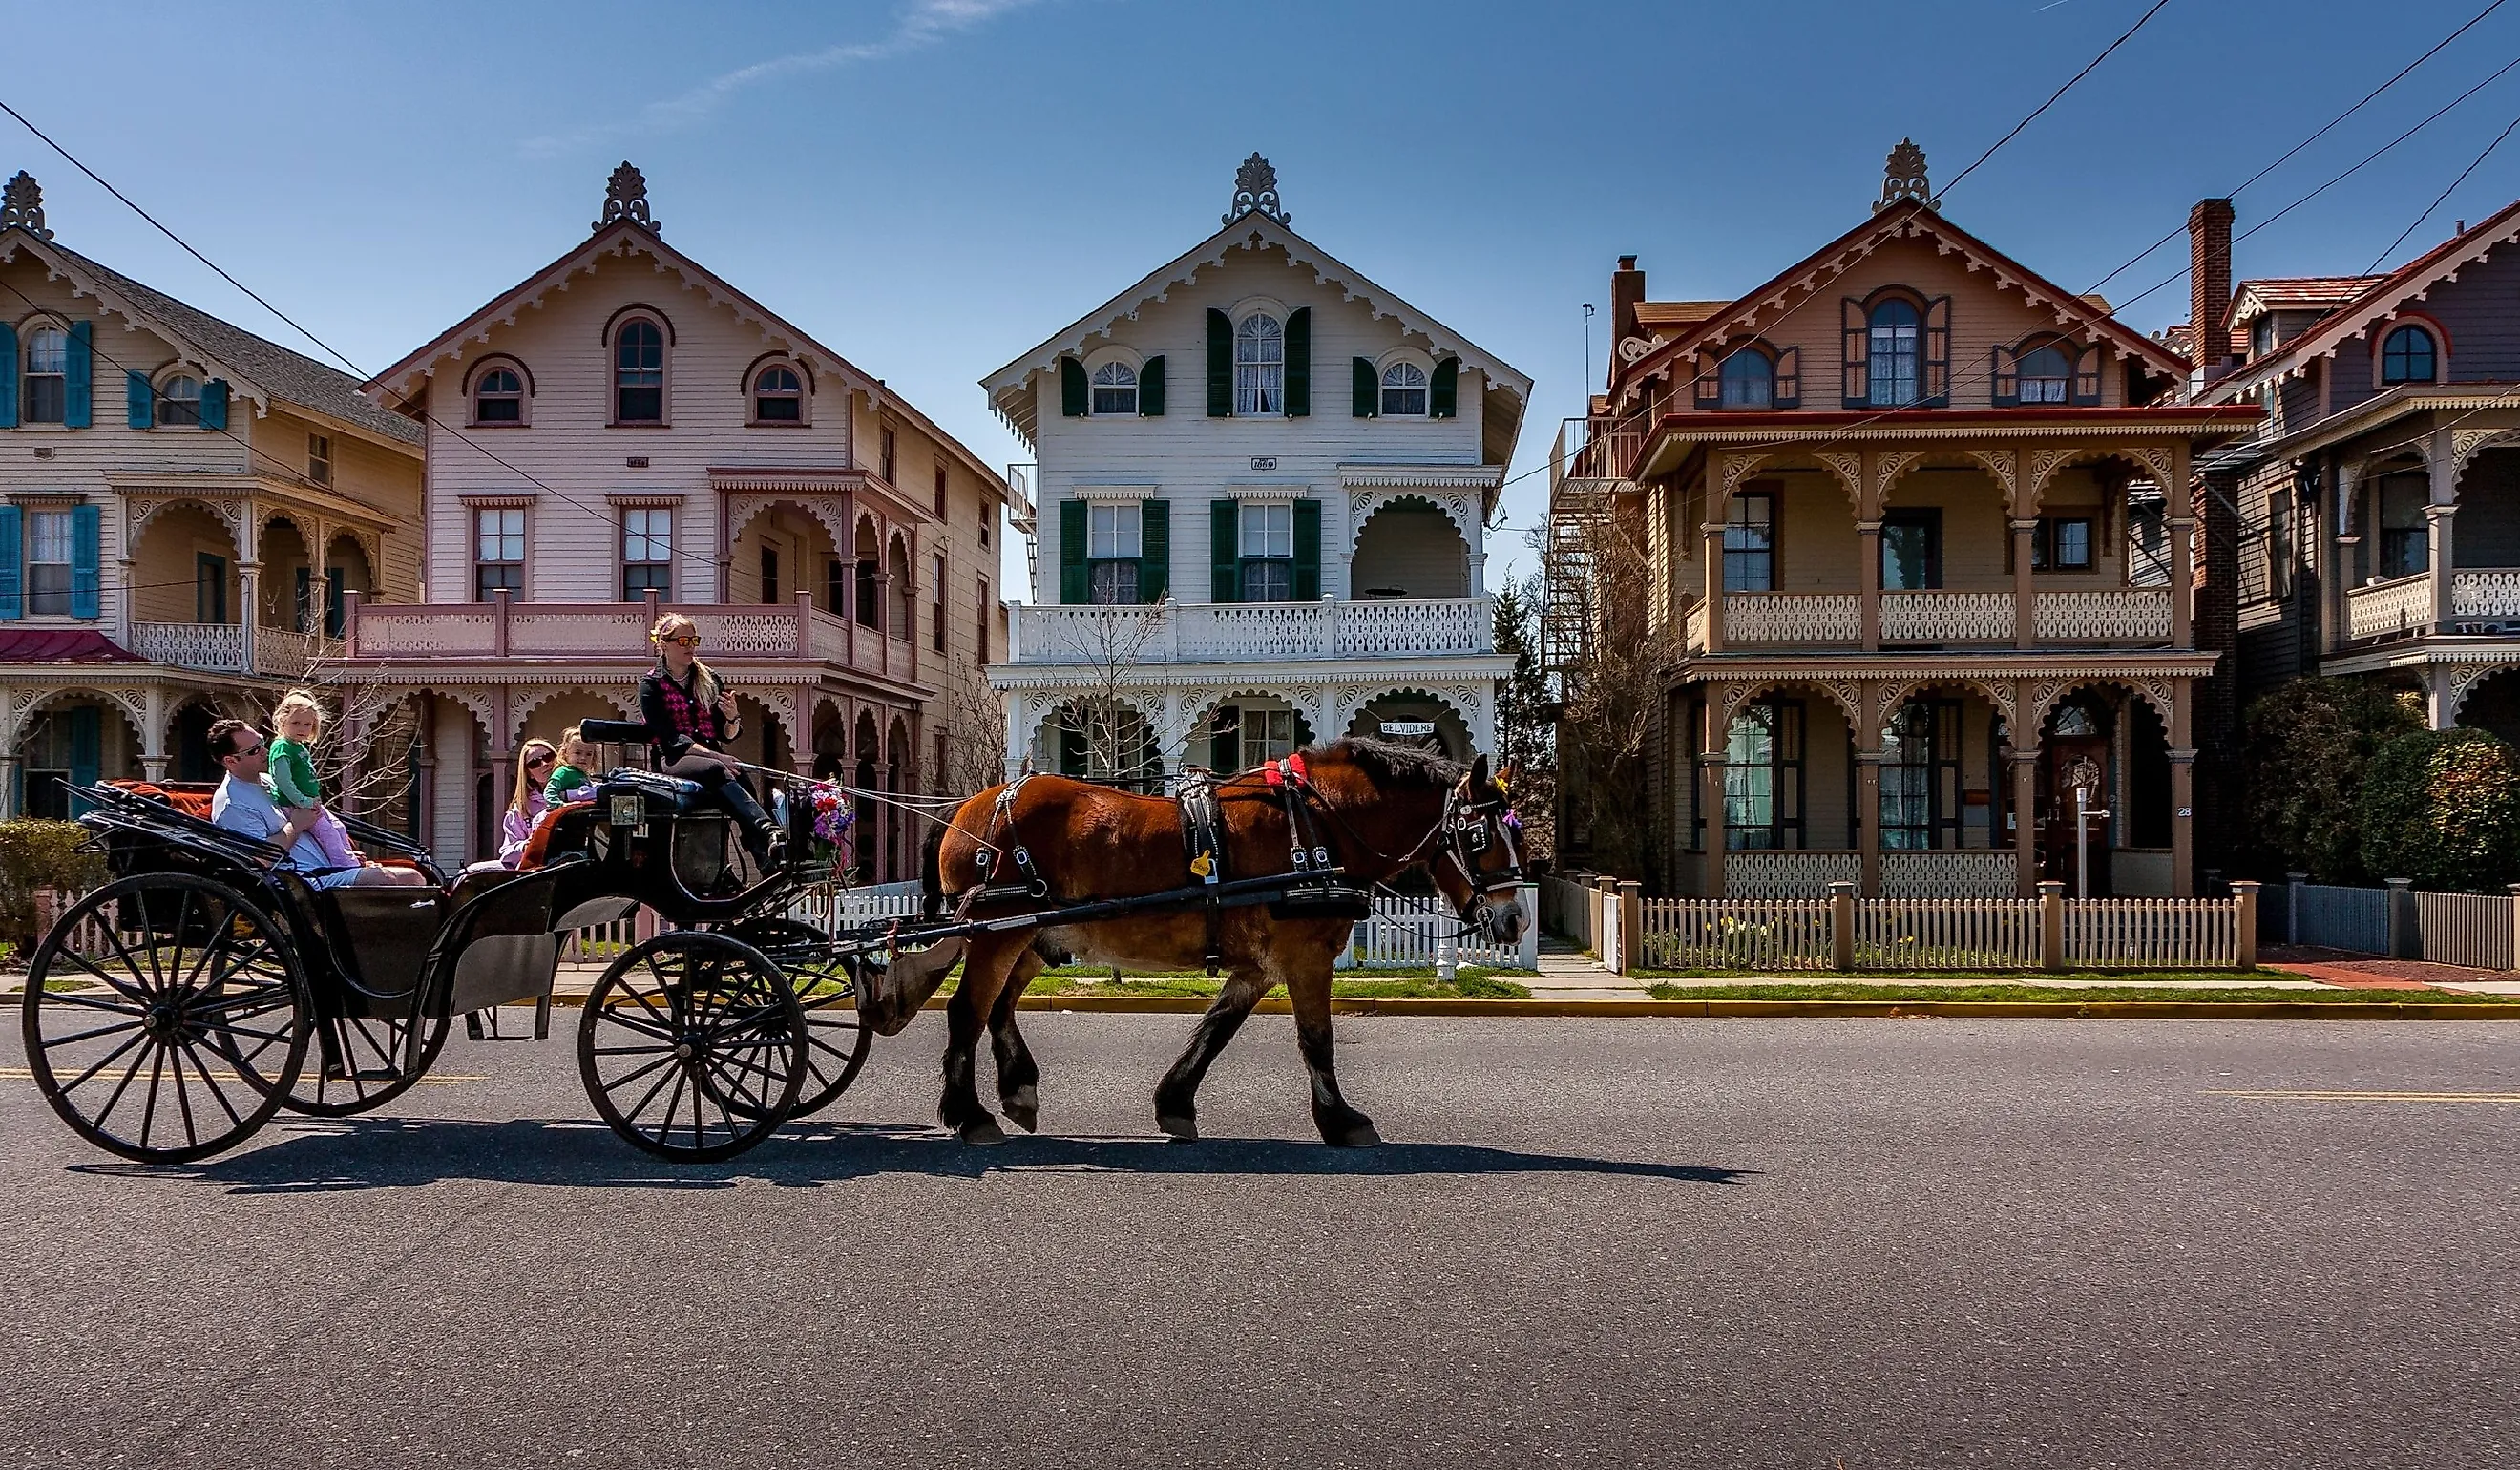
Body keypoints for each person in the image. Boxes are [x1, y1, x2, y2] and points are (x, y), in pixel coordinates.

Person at [207, 719, 427, 888]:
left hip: (327, 868)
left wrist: (342, 853)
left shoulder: (270, 781)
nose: (266, 751)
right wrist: (295, 826)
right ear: (231, 760)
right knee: (400, 879)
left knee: (417, 875)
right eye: (255, 750)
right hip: (301, 883)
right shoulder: (232, 803)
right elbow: (256, 861)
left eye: (263, 743)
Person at [637, 612, 781, 868]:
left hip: (712, 754)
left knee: (740, 773)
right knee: (718, 767)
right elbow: (670, 738)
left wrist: (733, 718)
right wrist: (717, 756)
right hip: (673, 758)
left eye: (694, 640)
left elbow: (723, 734)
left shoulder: (709, 679)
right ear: (664, 644)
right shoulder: (651, 684)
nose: (690, 647)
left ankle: (765, 856)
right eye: (682, 641)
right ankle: (766, 828)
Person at [266, 689, 361, 871]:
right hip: (296, 804)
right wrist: (303, 801)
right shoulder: (282, 747)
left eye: (307, 724)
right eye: (296, 723)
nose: (302, 728)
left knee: (338, 828)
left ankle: (351, 859)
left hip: (310, 802)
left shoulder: (298, 746)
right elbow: (283, 780)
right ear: (282, 721)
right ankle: (345, 867)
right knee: (327, 834)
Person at [495, 738, 558, 869]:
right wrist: (525, 845)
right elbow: (506, 853)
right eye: (535, 763)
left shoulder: (580, 791)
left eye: (548, 756)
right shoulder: (520, 811)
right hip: (537, 872)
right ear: (529, 774)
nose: (545, 764)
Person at [543, 727, 599, 808]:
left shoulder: (582, 774)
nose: (583, 757)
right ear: (565, 753)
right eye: (578, 753)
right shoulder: (563, 772)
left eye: (588, 754)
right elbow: (549, 793)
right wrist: (561, 805)